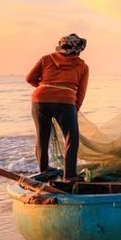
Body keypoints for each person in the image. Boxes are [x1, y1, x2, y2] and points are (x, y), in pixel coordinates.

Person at [26, 33, 89, 181]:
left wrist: (45, 87)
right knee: (71, 138)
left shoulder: (46, 59)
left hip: (40, 100)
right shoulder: (82, 66)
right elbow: (81, 92)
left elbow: (29, 79)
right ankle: (70, 176)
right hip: (65, 102)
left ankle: (43, 170)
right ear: (79, 49)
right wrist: (75, 108)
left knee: (42, 137)